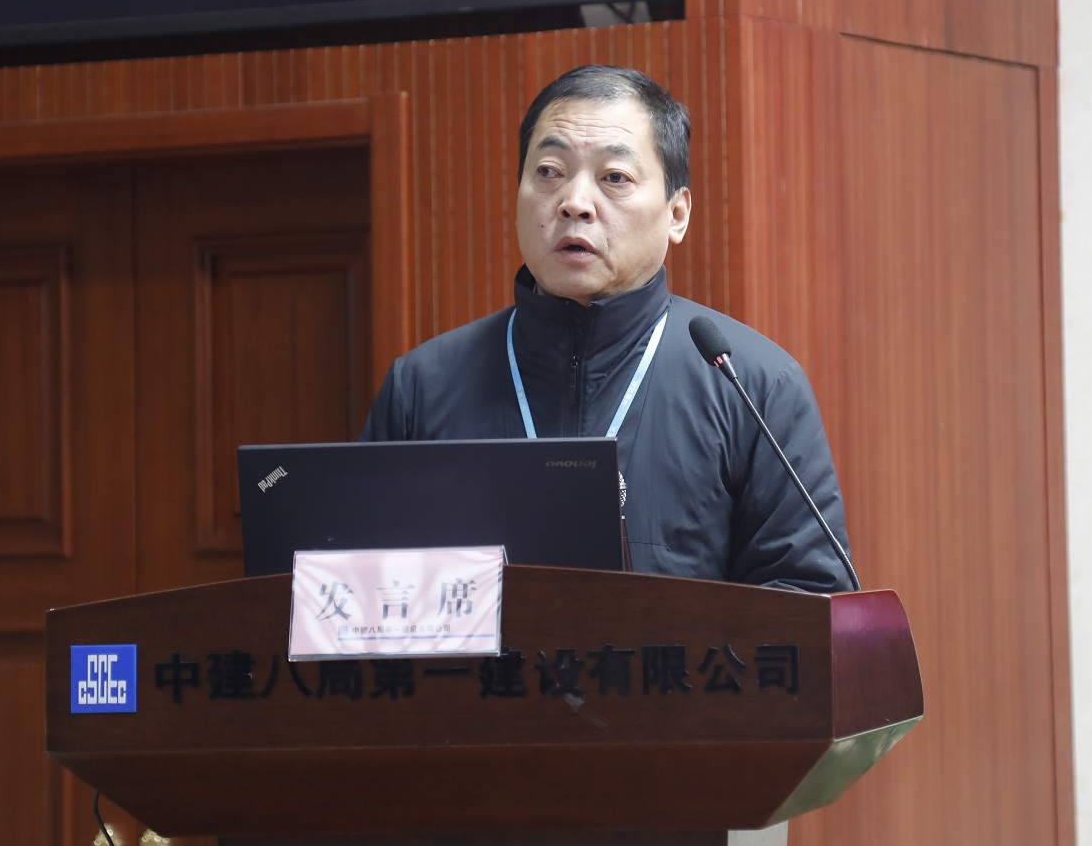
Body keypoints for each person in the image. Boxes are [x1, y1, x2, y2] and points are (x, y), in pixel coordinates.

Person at [361, 64, 854, 593]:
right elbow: (362, 587)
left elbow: (810, 599)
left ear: (677, 214)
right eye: (549, 171)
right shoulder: (423, 386)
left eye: (614, 177)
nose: (574, 202)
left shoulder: (752, 386)